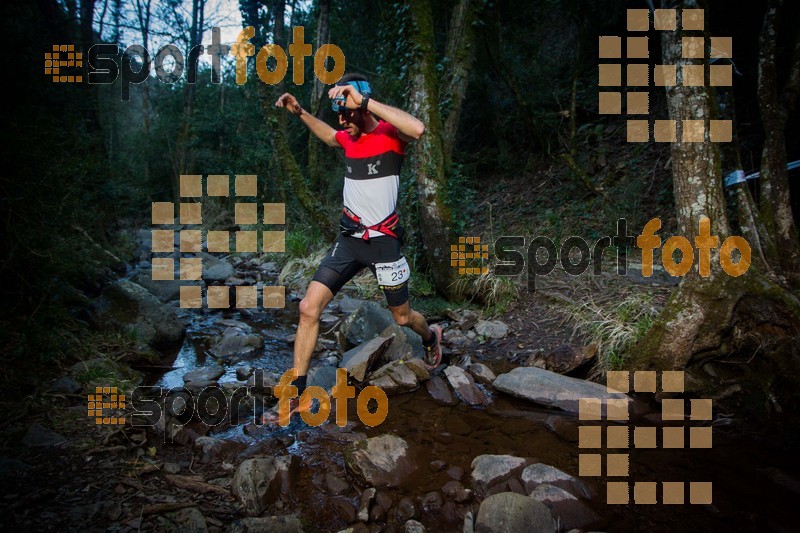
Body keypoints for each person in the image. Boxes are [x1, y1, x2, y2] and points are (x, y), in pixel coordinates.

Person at [266, 73, 444, 425]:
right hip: (349, 241)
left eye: (345, 112)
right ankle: (296, 393)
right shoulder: (347, 138)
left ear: (361, 105)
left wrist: (363, 101)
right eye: (339, 113)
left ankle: (432, 335)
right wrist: (300, 111)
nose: (341, 121)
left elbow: (419, 128)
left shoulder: (391, 136)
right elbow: (329, 137)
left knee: (403, 318)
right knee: (307, 308)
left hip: (383, 242)